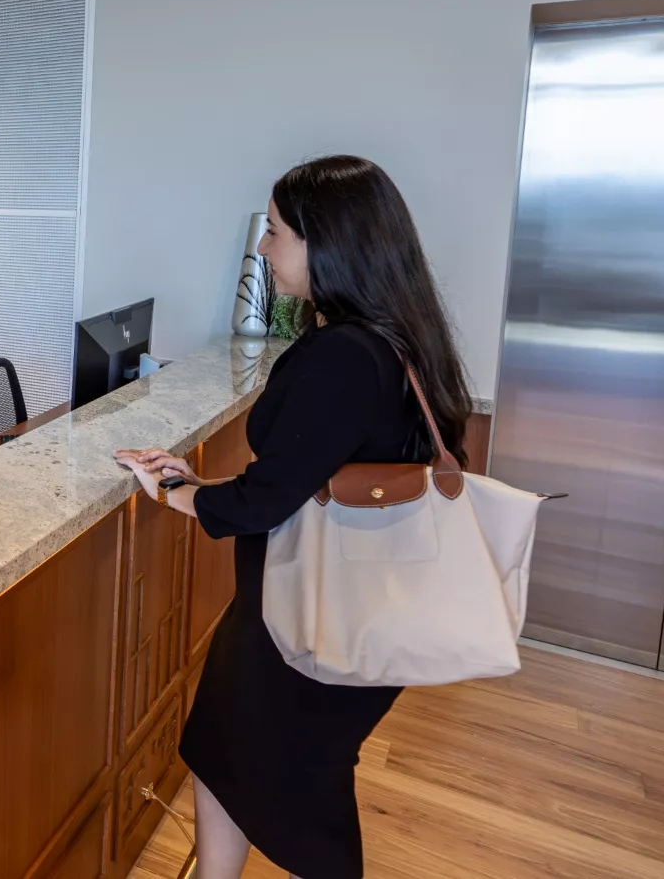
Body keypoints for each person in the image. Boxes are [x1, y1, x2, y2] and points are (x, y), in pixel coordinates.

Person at [115, 155, 471, 879]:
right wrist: (205, 481)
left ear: (324, 242)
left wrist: (175, 493)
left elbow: (267, 499)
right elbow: (318, 478)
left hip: (313, 618)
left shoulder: (343, 354)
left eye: (275, 233)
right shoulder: (392, 338)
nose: (264, 249)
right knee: (219, 742)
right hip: (344, 603)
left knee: (299, 789)